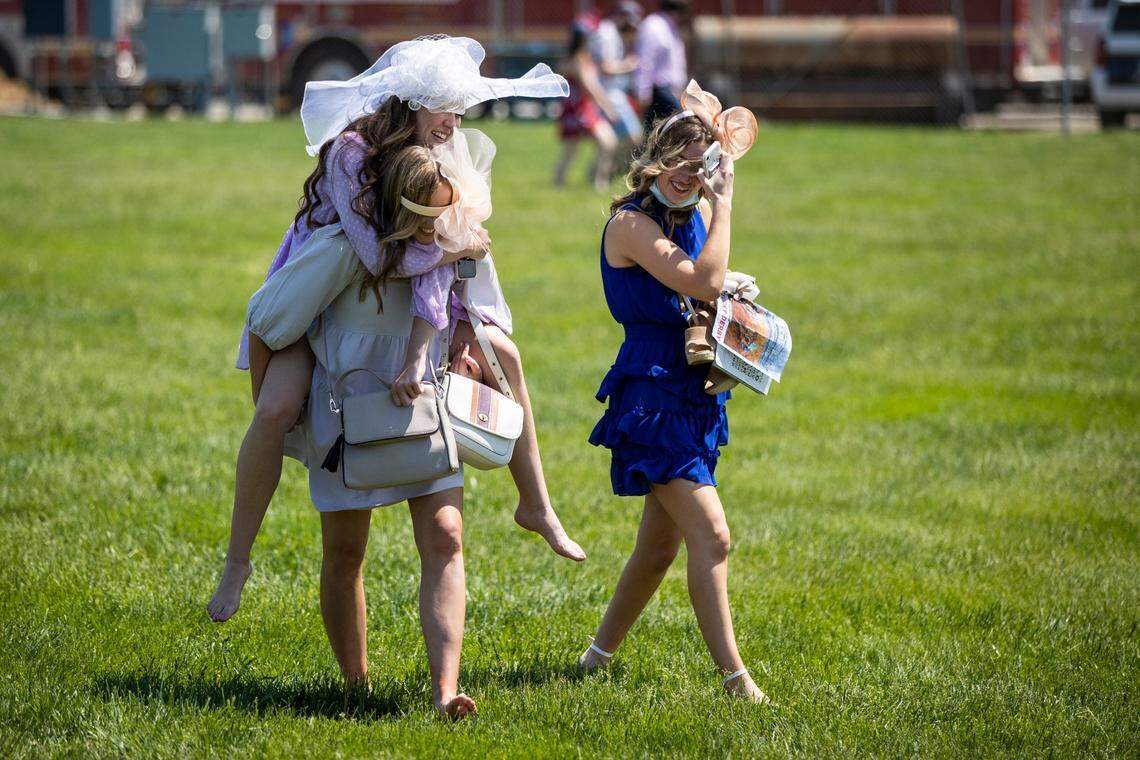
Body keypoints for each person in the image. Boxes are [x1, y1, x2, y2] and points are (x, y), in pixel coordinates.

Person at [208, 36, 582, 625]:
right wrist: (452, 248)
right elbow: (376, 253)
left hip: (400, 305)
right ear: (410, 102)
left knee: (504, 355)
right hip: (319, 295)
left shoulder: (440, 155)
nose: (453, 123)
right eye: (444, 108)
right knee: (276, 406)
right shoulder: (350, 152)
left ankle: (536, 503)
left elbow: (440, 253)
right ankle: (237, 560)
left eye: (460, 110)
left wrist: (460, 303)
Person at [245, 143, 481, 718]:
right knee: (345, 550)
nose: (433, 229)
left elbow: (463, 301)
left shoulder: (442, 247)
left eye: (441, 216)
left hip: (421, 404)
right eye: (421, 218)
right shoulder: (341, 247)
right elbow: (268, 317)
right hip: (346, 413)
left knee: (446, 534)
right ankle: (355, 686)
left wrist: (462, 341)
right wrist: (270, 403)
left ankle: (445, 691)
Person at [580, 81, 770, 703]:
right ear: (655, 159)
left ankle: (594, 659)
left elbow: (712, 284)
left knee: (659, 548)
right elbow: (703, 280)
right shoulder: (630, 225)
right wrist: (727, 207)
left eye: (703, 167)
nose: (691, 178)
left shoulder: (689, 217)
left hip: (693, 391)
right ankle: (736, 680)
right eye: (682, 164)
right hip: (651, 397)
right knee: (713, 536)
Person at [554, 23, 620, 191]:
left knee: (571, 150)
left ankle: (559, 183)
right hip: (581, 111)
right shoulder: (578, 61)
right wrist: (608, 109)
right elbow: (591, 88)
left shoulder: (572, 59)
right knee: (608, 142)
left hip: (574, 111)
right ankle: (599, 183)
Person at [589, 2, 644, 150]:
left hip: (611, 93)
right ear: (622, 16)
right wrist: (628, 65)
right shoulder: (607, 34)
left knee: (615, 143)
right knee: (634, 137)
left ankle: (610, 164)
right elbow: (605, 67)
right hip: (608, 94)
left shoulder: (610, 32)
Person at [633, 0, 689, 132]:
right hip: (658, 92)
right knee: (683, 127)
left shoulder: (669, 27)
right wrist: (642, 93)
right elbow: (645, 60)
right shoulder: (653, 26)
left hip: (671, 91)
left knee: (666, 135)